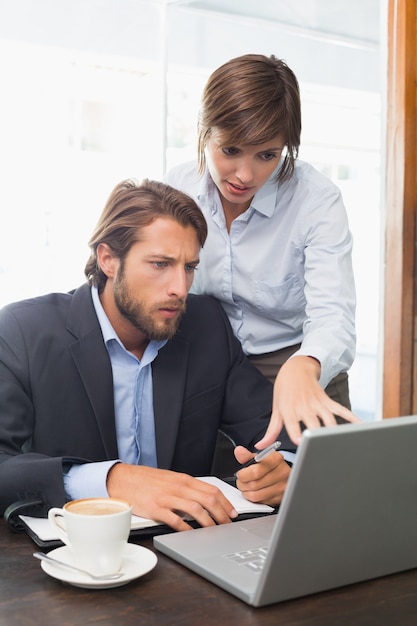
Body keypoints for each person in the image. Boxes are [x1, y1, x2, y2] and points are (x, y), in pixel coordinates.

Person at [0, 178, 296, 531]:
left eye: (189, 267)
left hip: (187, 545)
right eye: (160, 264)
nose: (180, 288)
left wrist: (285, 469)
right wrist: (110, 480)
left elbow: (275, 428)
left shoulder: (207, 326)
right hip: (73, 552)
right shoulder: (23, 330)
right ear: (108, 259)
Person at [165, 53, 359, 447]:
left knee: (324, 493)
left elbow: (333, 315)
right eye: (231, 150)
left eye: (267, 155)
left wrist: (306, 364)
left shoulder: (316, 201)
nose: (245, 175)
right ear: (205, 131)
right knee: (221, 493)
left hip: (299, 361)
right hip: (207, 362)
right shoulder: (177, 187)